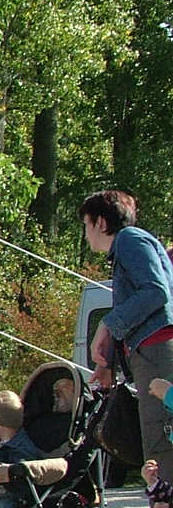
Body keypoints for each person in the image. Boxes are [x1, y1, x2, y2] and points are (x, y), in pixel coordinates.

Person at [83, 190, 173, 477]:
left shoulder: (130, 239)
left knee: (162, 445)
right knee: (156, 445)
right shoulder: (129, 244)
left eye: (85, 224)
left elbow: (155, 292)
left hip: (158, 354)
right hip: (151, 354)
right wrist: (108, 362)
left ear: (99, 222)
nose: (85, 234)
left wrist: (107, 324)